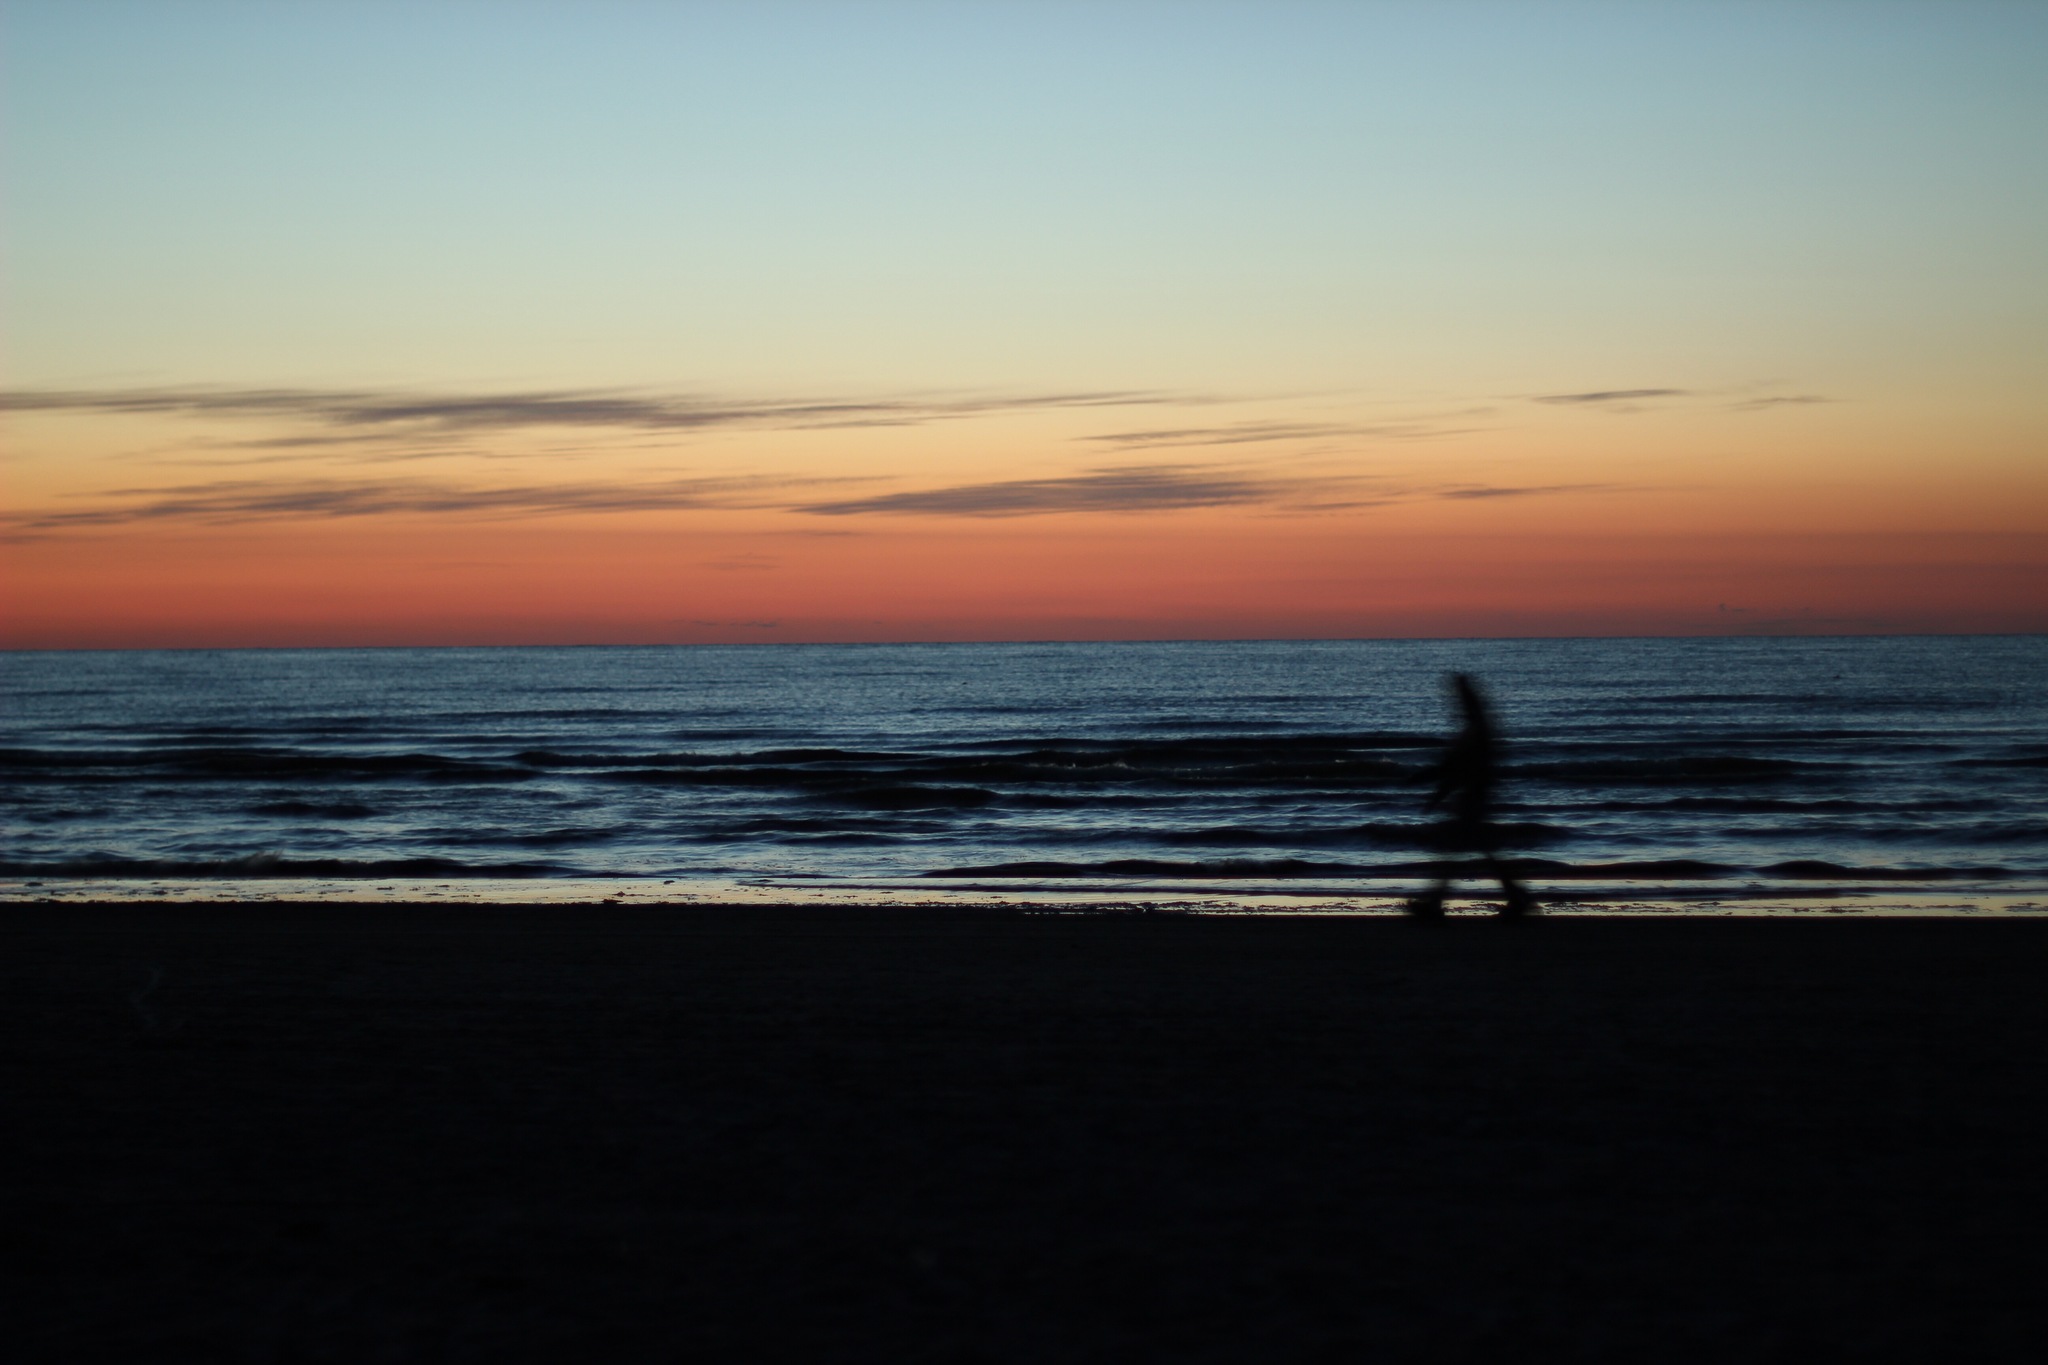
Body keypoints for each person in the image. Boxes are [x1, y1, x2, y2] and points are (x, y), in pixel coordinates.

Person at [1407, 673, 1535, 917]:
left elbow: (1457, 768)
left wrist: (1432, 788)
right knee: (1481, 851)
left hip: (1473, 797)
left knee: (1458, 850)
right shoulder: (1478, 729)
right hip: (1476, 796)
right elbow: (1456, 768)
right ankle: (1517, 898)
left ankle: (1434, 904)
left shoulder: (1474, 732)